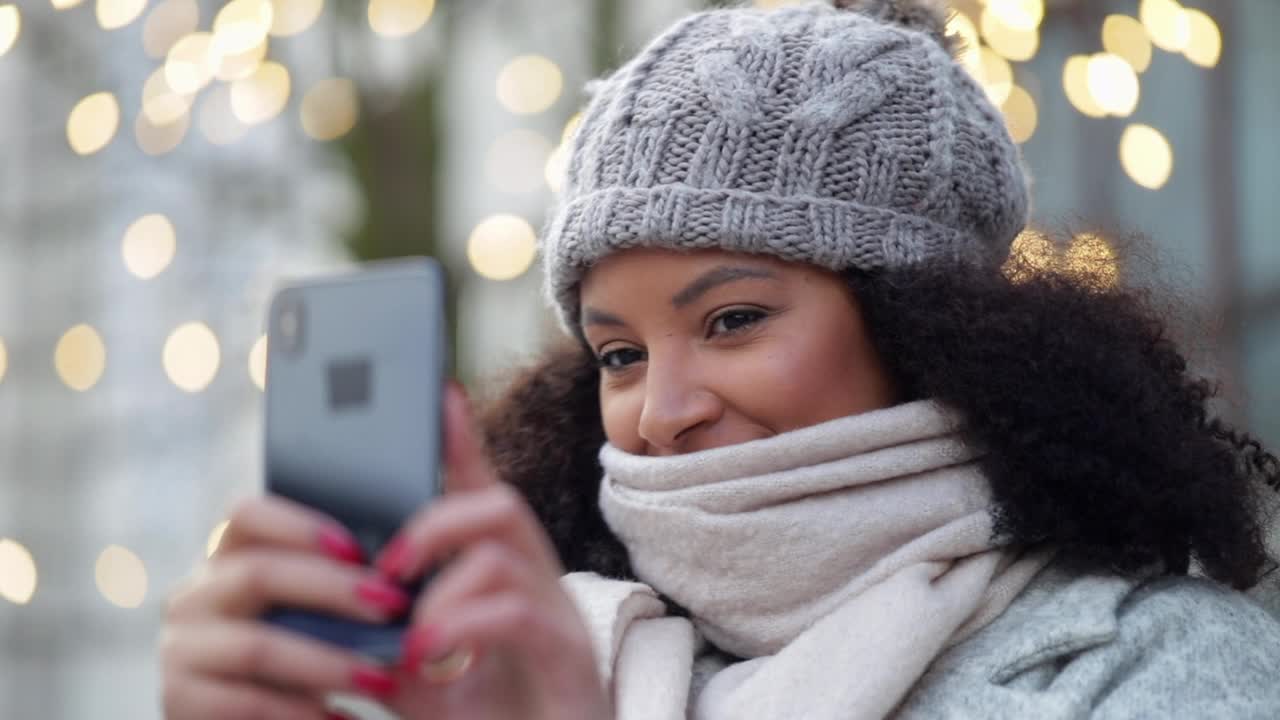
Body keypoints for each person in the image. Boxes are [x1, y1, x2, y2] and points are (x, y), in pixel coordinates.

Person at [159, 1, 1280, 718]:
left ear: (926, 330)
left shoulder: (1158, 668)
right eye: (617, 353)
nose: (662, 413)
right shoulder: (503, 662)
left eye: (733, 320)